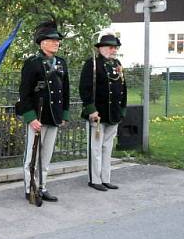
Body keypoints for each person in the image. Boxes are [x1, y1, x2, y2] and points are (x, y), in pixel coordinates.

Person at [15, 18, 70, 203]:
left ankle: (43, 186)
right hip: (37, 117)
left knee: (46, 157)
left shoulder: (61, 63)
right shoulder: (32, 63)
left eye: (57, 41)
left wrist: (64, 114)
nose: (56, 43)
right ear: (42, 43)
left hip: (53, 116)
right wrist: (30, 118)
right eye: (52, 40)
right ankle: (30, 188)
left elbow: (66, 90)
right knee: (32, 157)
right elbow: (24, 93)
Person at [79, 34, 127, 191]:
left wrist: (122, 109)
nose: (113, 50)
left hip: (113, 113)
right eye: (110, 47)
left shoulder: (117, 64)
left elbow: (122, 88)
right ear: (100, 48)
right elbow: (84, 89)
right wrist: (91, 110)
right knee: (96, 148)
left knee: (108, 148)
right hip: (97, 114)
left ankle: (106, 178)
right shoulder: (92, 64)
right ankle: (94, 179)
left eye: (115, 47)